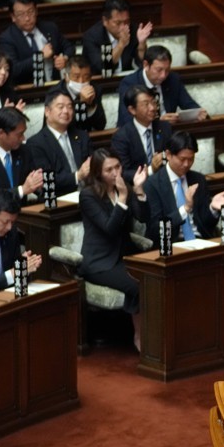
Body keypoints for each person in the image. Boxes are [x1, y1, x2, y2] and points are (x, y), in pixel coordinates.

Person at [79, 148, 149, 350]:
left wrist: (139, 190)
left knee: (154, 277)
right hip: (100, 262)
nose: (115, 173)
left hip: (125, 255)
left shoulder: (123, 186)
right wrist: (124, 198)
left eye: (117, 167)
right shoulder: (88, 195)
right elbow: (109, 229)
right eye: (109, 169)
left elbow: (143, 217)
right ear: (98, 173)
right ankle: (139, 337)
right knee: (137, 285)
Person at [143, 131, 224, 243]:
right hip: (171, 245)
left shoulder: (198, 180)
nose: (186, 164)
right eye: (182, 159)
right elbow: (155, 228)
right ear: (169, 155)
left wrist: (212, 209)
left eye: (191, 159)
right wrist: (185, 208)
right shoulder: (153, 184)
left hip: (199, 241)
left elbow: (206, 224)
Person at [116, 43, 205, 126]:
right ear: (146, 65)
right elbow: (127, 119)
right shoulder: (129, 83)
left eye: (167, 70)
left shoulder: (173, 79)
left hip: (168, 133)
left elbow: (189, 104)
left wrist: (198, 113)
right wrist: (158, 122)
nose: (163, 76)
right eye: (159, 70)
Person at [23, 90, 90, 196]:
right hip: (58, 199)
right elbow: (46, 179)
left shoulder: (82, 136)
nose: (66, 111)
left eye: (69, 107)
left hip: (88, 194)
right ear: (47, 111)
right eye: (60, 107)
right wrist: (78, 176)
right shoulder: (36, 143)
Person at [0, 0, 74, 85]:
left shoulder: (50, 28)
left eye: (30, 12)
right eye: (21, 14)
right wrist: (40, 56)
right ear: (13, 17)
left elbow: (70, 47)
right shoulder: (7, 39)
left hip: (55, 85)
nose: (27, 18)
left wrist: (64, 58)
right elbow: (13, 70)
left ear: (36, 11)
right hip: (27, 90)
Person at [111, 86, 171, 180]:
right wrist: (151, 170)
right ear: (132, 110)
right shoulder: (121, 137)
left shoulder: (165, 128)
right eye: (146, 104)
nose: (152, 108)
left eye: (153, 102)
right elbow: (122, 172)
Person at [82, 0, 148, 75]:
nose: (123, 27)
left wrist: (142, 46)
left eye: (126, 22)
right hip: (101, 82)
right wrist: (121, 44)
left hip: (127, 79)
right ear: (105, 21)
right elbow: (103, 67)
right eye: (118, 23)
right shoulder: (92, 36)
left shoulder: (133, 30)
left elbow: (141, 64)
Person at [55, 54, 106, 132]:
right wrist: (81, 104)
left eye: (86, 77)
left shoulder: (95, 89)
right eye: (76, 77)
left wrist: (90, 106)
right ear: (66, 77)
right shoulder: (56, 94)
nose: (81, 82)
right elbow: (63, 128)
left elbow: (101, 125)